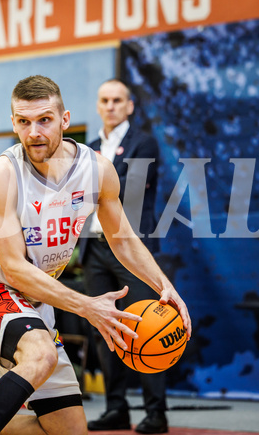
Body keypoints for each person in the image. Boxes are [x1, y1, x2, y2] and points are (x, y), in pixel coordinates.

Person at [0, 75, 190, 435]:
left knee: (68, 432)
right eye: (23, 122)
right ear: (13, 123)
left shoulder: (98, 170)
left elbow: (122, 239)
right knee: (40, 355)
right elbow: (13, 269)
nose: (34, 133)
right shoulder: (2, 173)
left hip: (40, 298)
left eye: (44, 120)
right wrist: (88, 306)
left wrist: (163, 284)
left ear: (64, 119)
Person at [78, 79, 167, 433]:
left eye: (118, 100)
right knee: (104, 329)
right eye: (105, 100)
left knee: (148, 326)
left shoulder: (143, 142)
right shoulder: (89, 148)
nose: (111, 106)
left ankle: (156, 412)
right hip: (95, 249)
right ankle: (117, 408)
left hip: (130, 247)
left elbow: (124, 189)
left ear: (129, 106)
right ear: (98, 106)